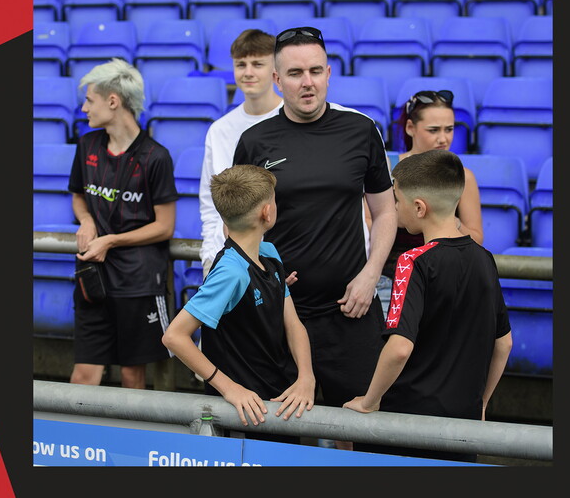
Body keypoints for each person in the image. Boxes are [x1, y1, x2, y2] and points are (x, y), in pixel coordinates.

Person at [232, 26, 397, 450]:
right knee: (275, 437)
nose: (307, 82)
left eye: (316, 71)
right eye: (295, 73)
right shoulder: (254, 141)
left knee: (362, 431)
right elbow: (238, 226)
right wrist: (263, 275)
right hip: (279, 315)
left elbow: (385, 212)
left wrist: (370, 275)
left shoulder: (361, 130)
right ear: (277, 80)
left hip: (351, 310)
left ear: (329, 73)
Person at [343, 150, 513, 463]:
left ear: (419, 208)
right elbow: (504, 344)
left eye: (397, 200)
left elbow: (399, 349)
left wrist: (369, 401)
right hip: (463, 424)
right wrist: (481, 404)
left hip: (406, 423)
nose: (394, 207)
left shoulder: (412, 261)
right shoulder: (484, 258)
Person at [162, 165, 315, 440]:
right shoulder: (231, 272)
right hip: (244, 411)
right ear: (267, 212)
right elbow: (174, 336)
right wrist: (229, 387)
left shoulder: (269, 253)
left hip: (280, 399)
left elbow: (293, 324)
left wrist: (306, 377)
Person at [67, 58, 178, 389]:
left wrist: (111, 240)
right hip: (93, 278)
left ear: (113, 101)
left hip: (137, 282)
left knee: (132, 376)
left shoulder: (156, 156)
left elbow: (165, 226)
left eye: (90, 100)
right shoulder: (87, 145)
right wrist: (87, 220)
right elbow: (78, 196)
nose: (84, 108)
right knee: (84, 374)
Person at [199, 29, 284, 278]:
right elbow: (209, 203)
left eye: (257, 64)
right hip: (228, 261)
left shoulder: (291, 121)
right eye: (240, 64)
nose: (248, 72)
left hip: (280, 259)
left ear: (275, 69)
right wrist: (210, 256)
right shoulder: (219, 130)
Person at [383, 89, 484, 277]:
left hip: (444, 273)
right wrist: (395, 217)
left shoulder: (463, 176)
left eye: (449, 129)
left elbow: (476, 240)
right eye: (433, 130)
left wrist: (449, 221)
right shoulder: (387, 168)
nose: (443, 139)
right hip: (391, 275)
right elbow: (367, 224)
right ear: (410, 127)